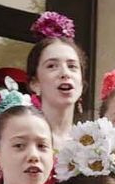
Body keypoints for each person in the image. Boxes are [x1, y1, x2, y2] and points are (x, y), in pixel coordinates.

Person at [26, 11, 84, 145]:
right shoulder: (20, 137)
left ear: (81, 85)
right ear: (35, 83)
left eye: (72, 66)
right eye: (52, 66)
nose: (65, 73)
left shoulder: (93, 144)